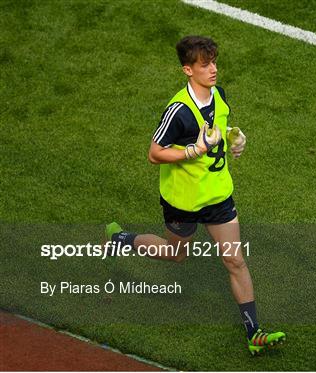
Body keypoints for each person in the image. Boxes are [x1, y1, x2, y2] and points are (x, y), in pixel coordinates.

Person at [105, 35, 285, 355]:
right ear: (188, 70)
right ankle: (123, 239)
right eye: (205, 65)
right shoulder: (178, 111)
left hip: (217, 196)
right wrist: (192, 150)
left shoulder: (219, 95)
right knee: (176, 255)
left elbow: (222, 131)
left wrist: (235, 139)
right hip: (183, 202)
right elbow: (154, 153)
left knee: (235, 260)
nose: (213, 69)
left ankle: (253, 332)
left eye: (214, 62)